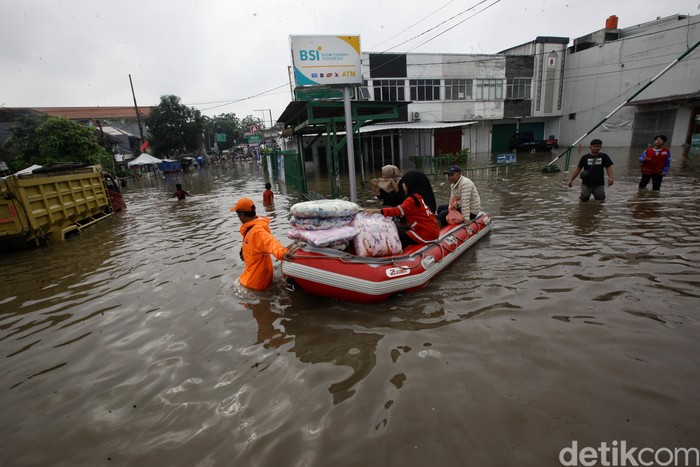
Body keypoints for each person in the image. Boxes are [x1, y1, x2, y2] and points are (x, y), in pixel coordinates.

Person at [365, 170, 440, 249]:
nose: (403, 185)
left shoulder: (411, 199)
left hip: (425, 234)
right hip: (431, 231)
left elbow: (397, 210)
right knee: (399, 229)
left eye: (405, 183)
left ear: (410, 184)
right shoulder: (417, 196)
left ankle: (398, 252)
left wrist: (377, 211)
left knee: (395, 232)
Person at [231, 197, 288, 291]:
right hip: (258, 276)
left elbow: (271, 242)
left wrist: (282, 253)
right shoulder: (253, 228)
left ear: (241, 215)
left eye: (238, 215)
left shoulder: (257, 231)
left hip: (255, 283)